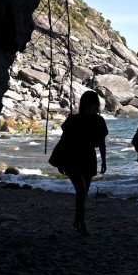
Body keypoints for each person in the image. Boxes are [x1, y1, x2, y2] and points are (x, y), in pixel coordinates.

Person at [52, 90, 107, 236]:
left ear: (96, 106)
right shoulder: (73, 120)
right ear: (83, 105)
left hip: (88, 158)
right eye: (87, 104)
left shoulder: (99, 121)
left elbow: (101, 142)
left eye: (92, 104)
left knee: (83, 193)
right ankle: (82, 225)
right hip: (72, 158)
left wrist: (104, 160)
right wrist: (60, 162)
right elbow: (64, 141)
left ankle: (76, 222)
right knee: (82, 191)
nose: (90, 107)